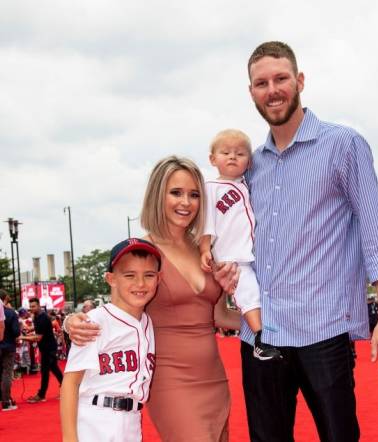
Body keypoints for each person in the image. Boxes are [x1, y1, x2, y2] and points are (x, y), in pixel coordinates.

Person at [235, 41, 378, 442]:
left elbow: (376, 232)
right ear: (251, 92)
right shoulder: (249, 165)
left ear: (300, 81)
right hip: (261, 336)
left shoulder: (343, 145)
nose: (272, 90)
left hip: (323, 332)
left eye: (280, 78)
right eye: (261, 83)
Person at [65, 156, 240, 442]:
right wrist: (71, 321)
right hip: (170, 380)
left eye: (194, 194)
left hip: (214, 377)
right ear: (158, 195)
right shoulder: (144, 251)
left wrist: (272, 322)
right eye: (176, 192)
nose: (186, 202)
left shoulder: (207, 250)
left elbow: (219, 317)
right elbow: (117, 305)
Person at [60, 238, 161, 442]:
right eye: (129, 275)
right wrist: (69, 438)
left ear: (159, 278)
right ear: (111, 279)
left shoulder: (148, 322)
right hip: (95, 418)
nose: (140, 283)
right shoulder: (94, 322)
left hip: (131, 420)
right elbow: (70, 383)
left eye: (149, 275)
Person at [200, 128, 281, 361]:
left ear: (249, 161)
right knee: (249, 295)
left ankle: (268, 334)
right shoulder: (210, 187)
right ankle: (260, 339)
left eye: (240, 153)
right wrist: (205, 248)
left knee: (259, 295)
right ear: (212, 159)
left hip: (249, 255)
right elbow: (207, 222)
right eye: (225, 152)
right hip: (231, 259)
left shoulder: (247, 184)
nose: (233, 156)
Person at [21, 297, 64, 402]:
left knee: (45, 371)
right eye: (30, 306)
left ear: (39, 306)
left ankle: (41, 395)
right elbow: (38, 328)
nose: (32, 308)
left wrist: (22, 337)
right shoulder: (36, 316)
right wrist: (29, 329)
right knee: (54, 369)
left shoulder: (43, 317)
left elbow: (38, 337)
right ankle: (67, 389)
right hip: (46, 348)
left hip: (49, 349)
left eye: (34, 306)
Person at [0, 290, 20, 411]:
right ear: (5, 298)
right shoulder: (11, 313)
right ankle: (6, 402)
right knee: (7, 374)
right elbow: (16, 332)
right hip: (8, 347)